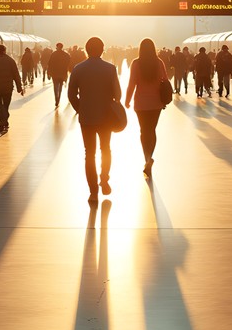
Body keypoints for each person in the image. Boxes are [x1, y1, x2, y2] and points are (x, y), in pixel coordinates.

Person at [68, 37, 122, 205]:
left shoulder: (78, 69)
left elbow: (71, 94)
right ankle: (104, 179)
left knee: (89, 154)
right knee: (105, 149)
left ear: (86, 49)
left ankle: (93, 192)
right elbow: (118, 95)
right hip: (106, 117)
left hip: (87, 117)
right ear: (102, 49)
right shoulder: (110, 68)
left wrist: (80, 108)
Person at [125, 38, 169, 177]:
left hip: (141, 103)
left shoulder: (136, 63)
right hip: (156, 103)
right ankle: (150, 157)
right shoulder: (159, 63)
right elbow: (165, 80)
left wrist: (127, 100)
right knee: (152, 130)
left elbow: (132, 83)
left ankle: (147, 158)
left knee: (144, 131)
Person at [0, 44, 23, 133]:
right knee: (6, 105)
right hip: (8, 87)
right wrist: (19, 87)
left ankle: (2, 121)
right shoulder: (10, 60)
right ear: (4, 50)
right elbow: (16, 74)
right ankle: (4, 121)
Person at [48, 42, 71, 108]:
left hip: (55, 73)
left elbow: (50, 64)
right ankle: (58, 98)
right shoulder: (66, 55)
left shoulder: (53, 54)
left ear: (57, 47)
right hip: (62, 73)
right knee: (60, 86)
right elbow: (69, 63)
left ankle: (56, 99)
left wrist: (49, 73)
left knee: (55, 87)